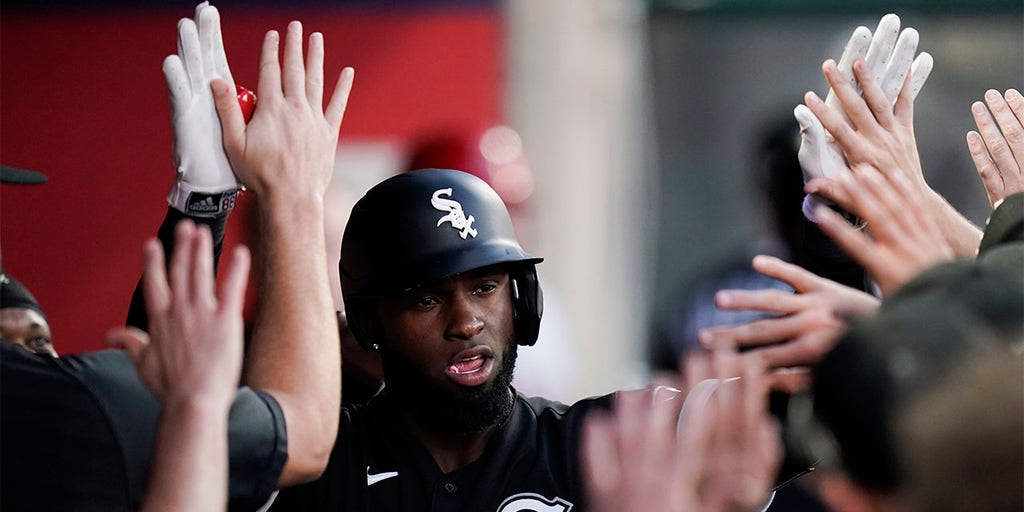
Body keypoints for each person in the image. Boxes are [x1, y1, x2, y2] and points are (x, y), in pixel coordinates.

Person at [267, 166, 799, 511]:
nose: (467, 321)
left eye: (485, 287)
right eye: (426, 299)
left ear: (523, 299)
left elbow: (826, 405)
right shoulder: (317, 465)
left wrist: (849, 257)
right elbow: (191, 436)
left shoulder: (598, 446)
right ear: (369, 323)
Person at [0, 3, 352, 510]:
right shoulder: (43, 404)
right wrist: (293, 190)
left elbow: (141, 385)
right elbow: (304, 432)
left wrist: (202, 202)